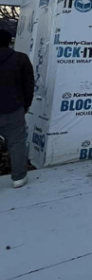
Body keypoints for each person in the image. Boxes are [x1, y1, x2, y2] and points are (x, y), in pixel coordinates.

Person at [0, 29, 35, 188]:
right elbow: (29, 85)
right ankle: (18, 178)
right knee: (17, 143)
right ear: (9, 41)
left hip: (13, 107)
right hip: (13, 108)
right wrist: (26, 104)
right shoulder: (20, 59)